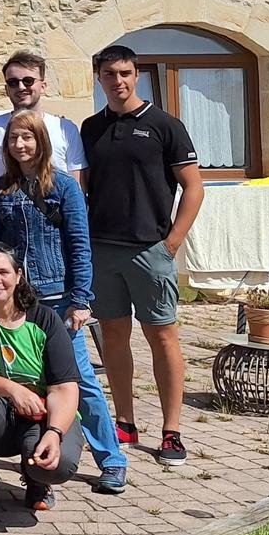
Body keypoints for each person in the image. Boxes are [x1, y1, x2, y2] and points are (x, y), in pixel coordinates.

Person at [0, 112, 126, 494]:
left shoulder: (64, 186)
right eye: (14, 138)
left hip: (57, 298)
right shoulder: (0, 189)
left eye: (27, 137)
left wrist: (81, 300)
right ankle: (37, 449)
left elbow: (80, 246)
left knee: (79, 380)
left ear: (41, 141)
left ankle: (111, 459)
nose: (20, 145)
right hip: (16, 299)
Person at [81, 44, 204, 467]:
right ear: (100, 79)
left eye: (126, 73)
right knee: (114, 338)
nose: (118, 81)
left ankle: (172, 432)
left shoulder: (165, 125)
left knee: (162, 337)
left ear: (137, 76)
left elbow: (194, 187)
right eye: (110, 74)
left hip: (150, 251)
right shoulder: (90, 128)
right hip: (103, 250)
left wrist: (172, 242)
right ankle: (126, 422)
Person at [0, 243, 85, 530]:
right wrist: (13, 389)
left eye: (3, 272)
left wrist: (55, 433)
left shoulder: (45, 318)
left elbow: (65, 387)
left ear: (18, 275)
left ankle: (36, 481)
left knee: (57, 467)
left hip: (41, 415)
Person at [0, 51, 87, 236]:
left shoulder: (65, 128)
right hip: (5, 226)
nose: (21, 87)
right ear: (6, 89)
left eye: (28, 81)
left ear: (43, 85)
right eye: (13, 82)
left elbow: (77, 185)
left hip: (53, 229)